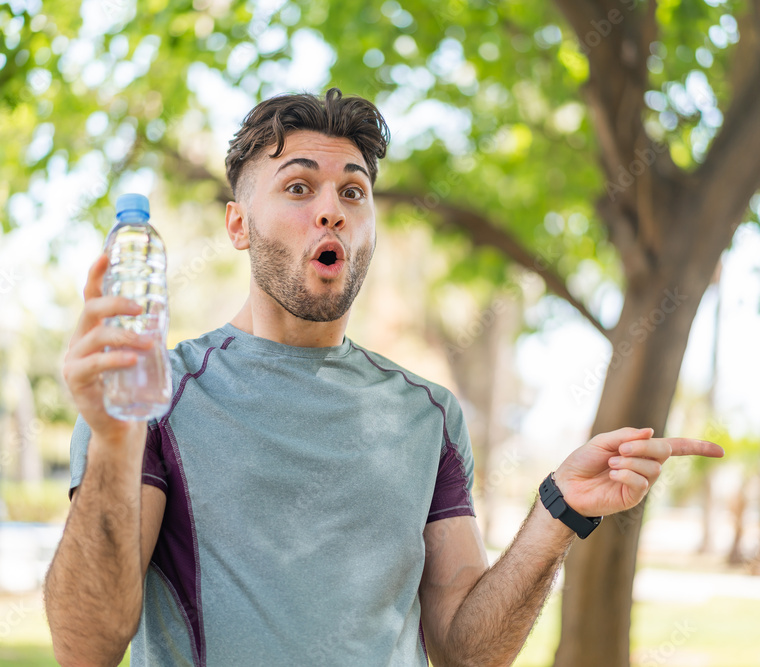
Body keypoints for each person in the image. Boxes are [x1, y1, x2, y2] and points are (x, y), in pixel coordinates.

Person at [43, 88, 724, 667]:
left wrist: (559, 510)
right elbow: (86, 644)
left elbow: (465, 646)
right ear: (238, 225)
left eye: (353, 192)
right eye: (299, 186)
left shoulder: (426, 414)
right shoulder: (149, 400)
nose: (332, 208)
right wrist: (110, 437)